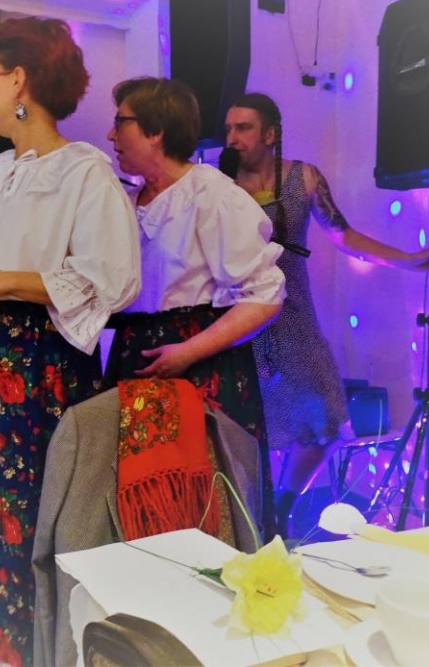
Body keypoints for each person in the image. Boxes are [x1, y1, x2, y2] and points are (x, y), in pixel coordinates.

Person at [0, 17, 140, 667]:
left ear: (19, 80)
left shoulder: (84, 173)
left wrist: (0, 280)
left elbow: (111, 280)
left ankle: (32, 649)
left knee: (27, 508)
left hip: (36, 363)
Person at [223, 92, 429, 533]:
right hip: (234, 320)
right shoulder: (217, 185)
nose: (232, 137)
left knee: (324, 420)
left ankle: (281, 508)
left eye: (243, 128)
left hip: (292, 316)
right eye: (228, 128)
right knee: (243, 429)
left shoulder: (304, 178)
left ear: (270, 134)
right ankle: (246, 517)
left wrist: (409, 260)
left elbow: (345, 237)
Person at [103, 76, 286, 538]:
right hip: (135, 359)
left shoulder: (212, 195)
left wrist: (188, 352)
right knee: (138, 506)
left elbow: (265, 294)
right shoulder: (126, 200)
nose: (110, 134)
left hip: (198, 367)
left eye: (121, 122)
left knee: (202, 508)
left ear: (155, 131)